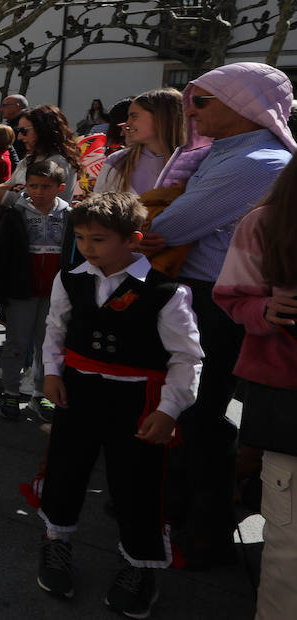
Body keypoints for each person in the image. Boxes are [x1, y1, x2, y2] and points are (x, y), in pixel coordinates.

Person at [142, 62, 295, 566]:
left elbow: (169, 227)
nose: (189, 109)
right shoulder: (226, 153)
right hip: (206, 294)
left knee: (203, 415)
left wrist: (154, 222)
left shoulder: (257, 161)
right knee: (193, 411)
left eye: (202, 100)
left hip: (218, 302)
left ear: (245, 106)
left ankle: (204, 528)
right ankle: (183, 510)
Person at [33, 192, 202, 617]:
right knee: (66, 467)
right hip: (78, 391)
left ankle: (138, 564)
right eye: (82, 237)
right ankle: (56, 541)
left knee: (138, 481)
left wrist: (168, 410)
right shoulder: (71, 278)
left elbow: (187, 357)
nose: (87, 247)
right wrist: (52, 372)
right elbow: (56, 328)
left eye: (99, 239)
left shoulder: (166, 293)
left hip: (137, 399)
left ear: (133, 239)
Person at [214, 157, 297, 620]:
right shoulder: (266, 223)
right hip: (285, 395)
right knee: (290, 553)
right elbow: (231, 297)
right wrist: (267, 309)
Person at [0, 160, 72, 421]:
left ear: (60, 188)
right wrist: (1, 292)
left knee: (47, 345)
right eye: (33, 185)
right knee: (16, 342)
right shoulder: (15, 213)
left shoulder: (69, 215)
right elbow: (2, 255)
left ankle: (41, 395)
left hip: (55, 293)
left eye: (46, 186)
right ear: (25, 185)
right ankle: (10, 391)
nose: (38, 191)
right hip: (21, 291)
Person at [93, 89, 184, 195]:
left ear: (161, 118)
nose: (126, 124)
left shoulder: (197, 164)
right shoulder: (117, 162)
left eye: (134, 116)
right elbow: (100, 207)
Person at [0, 105, 80, 209]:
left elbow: (24, 202)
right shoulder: (29, 158)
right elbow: (8, 185)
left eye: (24, 131)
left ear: (43, 130)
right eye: (18, 131)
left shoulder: (57, 162)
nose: (19, 137)